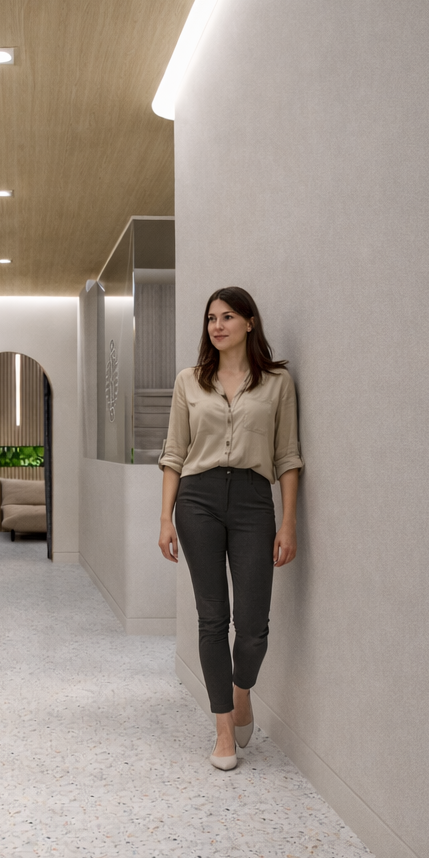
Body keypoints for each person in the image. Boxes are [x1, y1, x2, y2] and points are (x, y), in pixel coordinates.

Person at [158, 287, 303, 771]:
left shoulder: (277, 383)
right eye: (211, 319)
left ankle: (242, 692)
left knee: (254, 626)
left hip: (252, 502)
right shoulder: (189, 382)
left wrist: (288, 523)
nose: (217, 326)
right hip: (197, 500)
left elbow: (287, 456)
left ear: (249, 323)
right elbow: (175, 453)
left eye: (227, 317)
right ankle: (223, 727)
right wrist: (165, 519)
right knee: (212, 618)